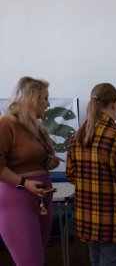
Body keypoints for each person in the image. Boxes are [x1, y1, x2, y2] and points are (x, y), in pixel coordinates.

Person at [66, 83, 116, 266]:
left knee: (96, 262)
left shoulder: (77, 137)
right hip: (115, 222)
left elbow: (71, 177)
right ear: (115, 104)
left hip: (88, 219)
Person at [0, 76, 60, 266]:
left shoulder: (36, 127)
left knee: (38, 258)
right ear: (31, 99)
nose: (48, 103)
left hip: (41, 200)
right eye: (45, 98)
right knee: (30, 262)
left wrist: (50, 162)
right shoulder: (6, 124)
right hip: (18, 199)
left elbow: (39, 159)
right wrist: (24, 183)